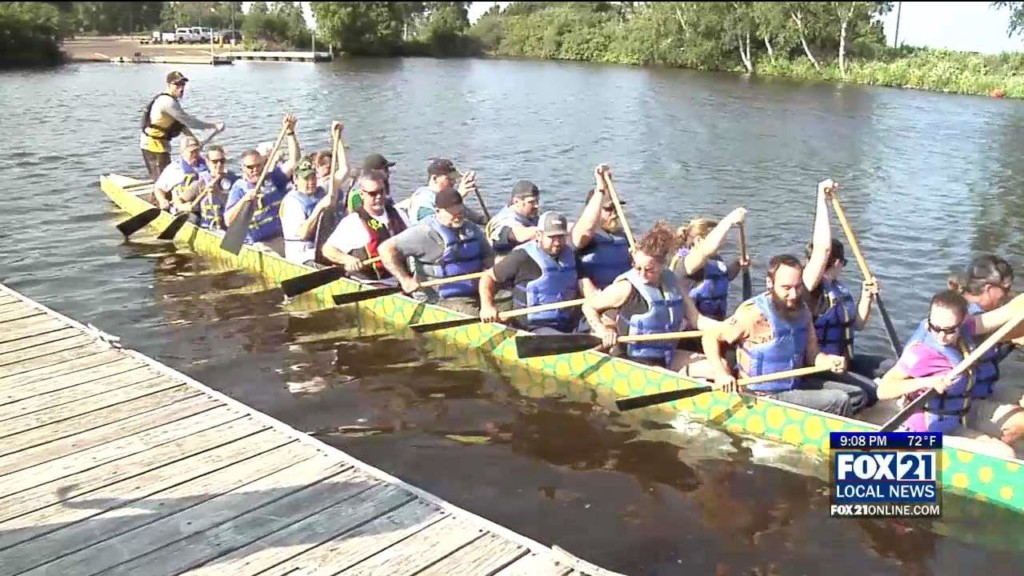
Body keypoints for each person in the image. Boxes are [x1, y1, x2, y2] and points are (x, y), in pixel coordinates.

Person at [702, 254, 869, 417]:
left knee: (858, 394)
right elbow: (709, 337)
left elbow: (813, 355)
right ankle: (840, 441)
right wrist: (721, 373)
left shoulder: (803, 311)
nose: (794, 295)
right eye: (786, 288)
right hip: (763, 395)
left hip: (794, 385)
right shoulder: (753, 314)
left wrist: (829, 361)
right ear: (770, 283)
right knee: (839, 400)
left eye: (798, 287)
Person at [876, 288, 1024, 458]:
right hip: (928, 431)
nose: (941, 336)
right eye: (935, 327)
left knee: (1007, 448)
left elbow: (1007, 313)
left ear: (962, 323)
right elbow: (884, 389)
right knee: (1005, 454)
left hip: (955, 422)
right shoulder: (921, 352)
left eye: (949, 330)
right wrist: (927, 382)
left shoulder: (966, 329)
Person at [581, 222, 719, 376]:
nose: (641, 275)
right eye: (637, 267)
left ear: (662, 265)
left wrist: (726, 328)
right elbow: (588, 306)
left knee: (717, 367)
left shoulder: (672, 283)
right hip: (632, 359)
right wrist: (602, 329)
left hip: (666, 356)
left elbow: (697, 320)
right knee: (662, 375)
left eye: (649, 270)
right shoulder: (626, 287)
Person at [378, 187, 494, 315]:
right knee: (475, 316)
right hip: (441, 297)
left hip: (478, 290)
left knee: (510, 300)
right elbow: (385, 249)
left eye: (460, 213)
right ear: (438, 211)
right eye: (453, 215)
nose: (457, 218)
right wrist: (405, 280)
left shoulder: (472, 230)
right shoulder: (423, 233)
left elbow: (489, 258)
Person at [478, 212, 581, 334]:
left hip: (567, 322)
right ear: (539, 235)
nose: (557, 242)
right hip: (534, 326)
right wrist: (487, 306)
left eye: (561, 237)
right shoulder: (522, 256)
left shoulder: (571, 256)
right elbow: (488, 277)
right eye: (552, 237)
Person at [223, 114, 301, 253]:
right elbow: (228, 221)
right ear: (243, 168)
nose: (255, 170)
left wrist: (290, 133)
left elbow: (294, 161)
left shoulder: (274, 178)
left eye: (258, 165)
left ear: (264, 164)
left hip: (284, 237)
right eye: (250, 167)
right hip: (259, 243)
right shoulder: (239, 188)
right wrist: (245, 200)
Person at [322, 170, 409, 282]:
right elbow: (328, 250)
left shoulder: (398, 213)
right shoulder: (354, 222)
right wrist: (347, 259)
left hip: (402, 278)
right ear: (362, 194)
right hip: (372, 282)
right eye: (373, 193)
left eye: (381, 192)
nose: (378, 197)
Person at [140, 71, 223, 184]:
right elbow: (190, 122)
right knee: (162, 181)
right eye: (177, 84)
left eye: (183, 85)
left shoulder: (173, 101)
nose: (181, 88)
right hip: (152, 145)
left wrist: (194, 140)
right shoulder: (167, 102)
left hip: (161, 144)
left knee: (166, 175)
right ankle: (158, 200)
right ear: (169, 85)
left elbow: (181, 125)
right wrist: (213, 126)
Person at [669, 208, 749, 321]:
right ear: (698, 241)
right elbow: (709, 247)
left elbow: (724, 277)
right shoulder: (687, 261)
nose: (723, 241)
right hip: (692, 326)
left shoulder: (715, 259)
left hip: (717, 322)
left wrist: (737, 264)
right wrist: (729, 220)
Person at [573, 165, 632, 295]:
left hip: (623, 299)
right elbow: (587, 228)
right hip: (597, 298)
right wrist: (600, 188)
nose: (615, 213)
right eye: (609, 209)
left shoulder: (624, 236)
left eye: (616, 208)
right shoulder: (585, 236)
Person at [280, 159, 333, 265]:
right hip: (303, 254)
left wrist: (339, 144)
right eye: (306, 179)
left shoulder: (320, 191)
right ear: (296, 179)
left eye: (313, 177)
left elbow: (343, 171)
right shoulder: (292, 202)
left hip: (324, 248)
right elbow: (303, 234)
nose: (311, 182)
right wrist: (320, 207)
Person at [405, 158, 486, 226]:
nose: (454, 182)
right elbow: (432, 224)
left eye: (454, 178)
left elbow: (476, 218)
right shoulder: (423, 199)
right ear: (434, 178)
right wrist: (459, 196)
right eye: (449, 179)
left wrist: (491, 222)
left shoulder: (447, 196)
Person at [485, 180, 541, 262]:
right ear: (516, 201)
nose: (536, 205)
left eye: (537, 201)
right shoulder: (504, 220)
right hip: (505, 266)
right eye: (531, 202)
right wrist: (548, 231)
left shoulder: (531, 216)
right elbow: (520, 234)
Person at [153, 136, 210, 214]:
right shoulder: (174, 168)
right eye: (191, 152)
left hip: (206, 207)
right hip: (183, 208)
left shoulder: (208, 164)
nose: (195, 154)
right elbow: (159, 188)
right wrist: (162, 201)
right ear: (183, 152)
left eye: (197, 151)